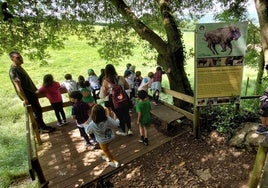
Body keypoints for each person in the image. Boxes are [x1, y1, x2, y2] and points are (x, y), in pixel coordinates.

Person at [9, 51, 54, 133]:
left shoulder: (19, 67)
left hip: (32, 93)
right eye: (18, 58)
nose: (21, 59)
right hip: (28, 95)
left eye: (20, 56)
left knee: (38, 110)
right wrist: (25, 99)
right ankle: (41, 128)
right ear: (12, 59)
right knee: (36, 112)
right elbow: (18, 87)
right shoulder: (13, 71)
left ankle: (42, 126)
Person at [100, 64, 132, 136]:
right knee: (126, 114)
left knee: (119, 115)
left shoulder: (105, 81)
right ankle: (130, 129)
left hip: (114, 101)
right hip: (124, 98)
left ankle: (123, 130)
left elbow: (104, 95)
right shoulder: (121, 77)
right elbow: (127, 87)